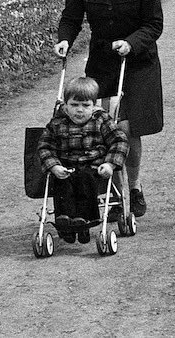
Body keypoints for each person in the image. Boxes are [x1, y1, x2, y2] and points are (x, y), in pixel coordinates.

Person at [55, 0, 163, 219]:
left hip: (138, 60)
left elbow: (154, 23)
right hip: (103, 62)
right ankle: (113, 195)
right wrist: (64, 40)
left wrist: (131, 42)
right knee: (105, 127)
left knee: (128, 128)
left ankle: (135, 187)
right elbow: (71, 17)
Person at [37, 76, 130, 243]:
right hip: (66, 167)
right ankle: (65, 222)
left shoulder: (101, 120)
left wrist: (109, 163)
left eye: (85, 105)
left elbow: (119, 141)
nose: (79, 110)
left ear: (94, 106)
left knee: (85, 178)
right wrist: (54, 166)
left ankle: (85, 221)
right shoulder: (57, 123)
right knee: (61, 183)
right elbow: (45, 146)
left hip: (93, 168)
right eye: (74, 105)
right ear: (65, 106)